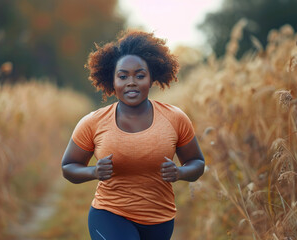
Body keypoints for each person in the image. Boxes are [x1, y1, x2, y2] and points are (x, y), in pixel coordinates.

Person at [61, 30, 205, 240]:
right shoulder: (93, 122)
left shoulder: (175, 118)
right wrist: (93, 172)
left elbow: (197, 162)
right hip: (109, 214)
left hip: (160, 220)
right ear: (112, 80)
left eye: (139, 75)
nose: (131, 82)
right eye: (123, 76)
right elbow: (68, 167)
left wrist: (180, 173)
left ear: (151, 78)